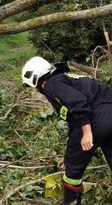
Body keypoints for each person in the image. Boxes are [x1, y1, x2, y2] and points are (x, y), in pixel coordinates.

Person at [21, 56, 112, 205]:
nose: (35, 89)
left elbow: (79, 103)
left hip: (94, 117)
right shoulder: (66, 79)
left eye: (33, 86)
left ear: (36, 77)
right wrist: (68, 154)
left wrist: (87, 132)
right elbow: (74, 120)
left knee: (73, 170)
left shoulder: (51, 83)